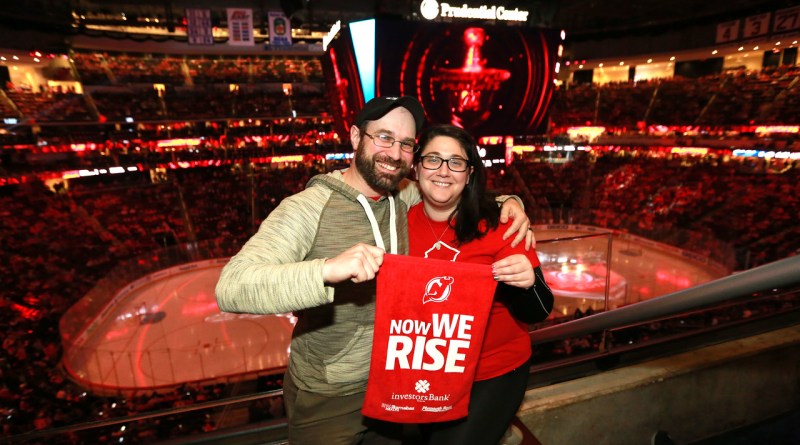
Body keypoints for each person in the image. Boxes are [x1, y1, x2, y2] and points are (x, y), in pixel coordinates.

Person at [215, 96, 533, 444]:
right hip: (330, 393)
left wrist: (510, 204)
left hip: (397, 383)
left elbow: (453, 187)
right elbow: (232, 285)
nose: (394, 153)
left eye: (406, 143)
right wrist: (326, 270)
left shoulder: (404, 195)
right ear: (355, 138)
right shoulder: (307, 209)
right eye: (383, 137)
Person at [406, 124, 554, 444]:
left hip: (493, 371)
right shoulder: (397, 226)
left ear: (470, 173)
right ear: (416, 167)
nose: (444, 171)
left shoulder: (500, 223)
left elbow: (539, 310)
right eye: (433, 159)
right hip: (427, 368)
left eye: (456, 162)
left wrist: (528, 283)